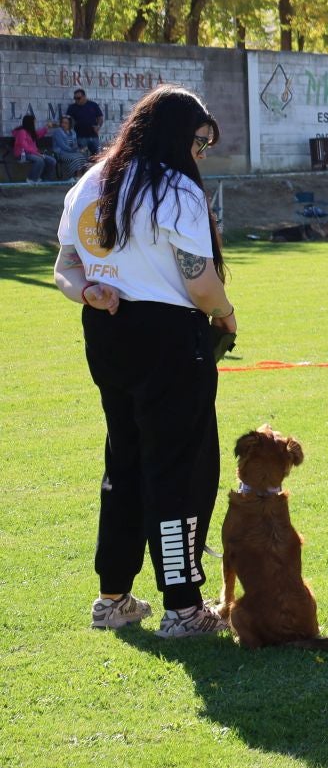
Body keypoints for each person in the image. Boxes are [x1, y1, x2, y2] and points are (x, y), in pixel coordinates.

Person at [54, 84, 234, 639]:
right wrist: (226, 313)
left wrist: (88, 293)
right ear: (178, 135)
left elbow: (64, 267)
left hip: (108, 335)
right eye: (199, 141)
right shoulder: (173, 188)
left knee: (125, 459)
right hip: (170, 337)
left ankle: (113, 596)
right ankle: (183, 608)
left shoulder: (90, 182)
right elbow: (199, 280)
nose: (200, 153)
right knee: (179, 467)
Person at [11, 113, 55, 181]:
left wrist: (47, 127)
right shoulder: (21, 132)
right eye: (34, 122)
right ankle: (31, 179)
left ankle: (44, 180)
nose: (35, 124)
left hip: (32, 153)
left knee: (52, 161)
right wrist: (37, 154)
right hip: (22, 154)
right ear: (30, 123)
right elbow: (24, 146)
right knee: (40, 160)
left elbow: (38, 134)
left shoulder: (30, 132)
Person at [45, 114, 88, 178]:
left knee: (82, 156)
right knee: (76, 158)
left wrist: (80, 149)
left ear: (70, 124)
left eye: (66, 123)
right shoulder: (58, 132)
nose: (63, 125)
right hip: (61, 153)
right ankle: (71, 176)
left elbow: (75, 144)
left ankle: (78, 176)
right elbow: (63, 146)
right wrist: (75, 150)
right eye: (62, 123)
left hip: (71, 152)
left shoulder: (72, 132)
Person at [69, 88, 105, 157]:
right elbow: (68, 120)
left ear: (84, 97)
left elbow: (100, 117)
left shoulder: (93, 105)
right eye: (75, 98)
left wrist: (98, 126)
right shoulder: (72, 107)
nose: (76, 100)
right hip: (80, 137)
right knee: (83, 158)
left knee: (97, 157)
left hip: (94, 136)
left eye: (78, 98)